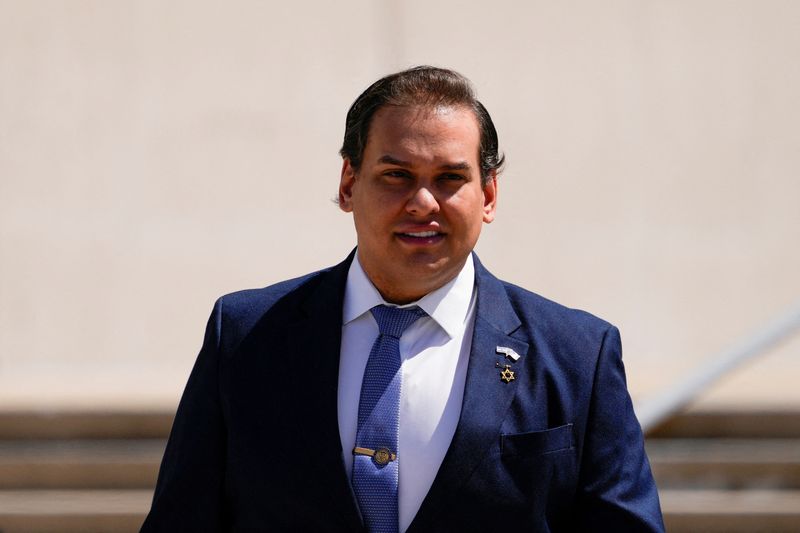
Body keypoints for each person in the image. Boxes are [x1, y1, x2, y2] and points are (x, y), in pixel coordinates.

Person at [141, 66, 664, 532]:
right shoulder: (245, 334)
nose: (422, 202)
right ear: (349, 183)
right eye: (397, 176)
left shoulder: (577, 355)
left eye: (450, 179)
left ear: (489, 196)